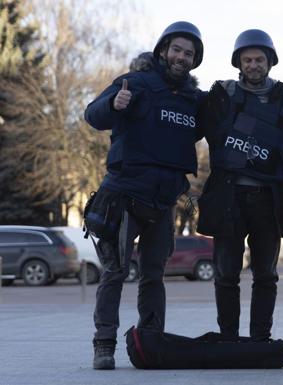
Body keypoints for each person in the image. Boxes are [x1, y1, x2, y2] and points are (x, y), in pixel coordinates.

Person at [83, 21, 204, 370]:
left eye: (189, 53)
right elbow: (93, 114)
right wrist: (114, 105)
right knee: (114, 273)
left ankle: (151, 343)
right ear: (164, 50)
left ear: (194, 61)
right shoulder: (134, 83)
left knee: (154, 277)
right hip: (124, 197)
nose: (182, 57)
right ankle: (103, 346)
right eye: (177, 49)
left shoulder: (194, 100)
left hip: (163, 202)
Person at [196, 29, 283, 342]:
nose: (254, 65)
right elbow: (191, 126)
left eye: (259, 59)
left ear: (270, 62)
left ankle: (260, 340)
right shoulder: (221, 95)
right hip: (228, 196)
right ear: (238, 62)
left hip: (268, 199)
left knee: (266, 276)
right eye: (248, 60)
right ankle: (229, 339)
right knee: (227, 274)